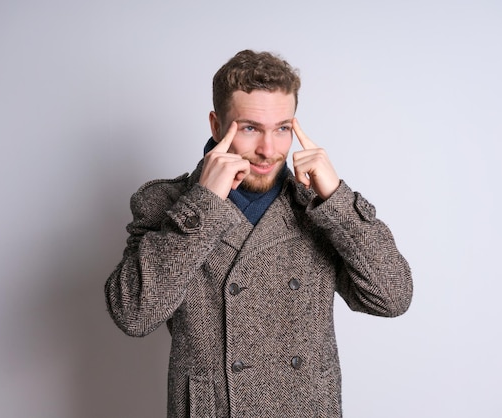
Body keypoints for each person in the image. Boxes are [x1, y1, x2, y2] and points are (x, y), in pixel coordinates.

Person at [105, 49, 413, 418]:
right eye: (250, 128)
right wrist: (203, 204)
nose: (269, 150)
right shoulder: (166, 203)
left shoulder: (316, 206)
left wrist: (336, 199)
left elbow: (392, 298)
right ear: (216, 126)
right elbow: (134, 316)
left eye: (282, 129)